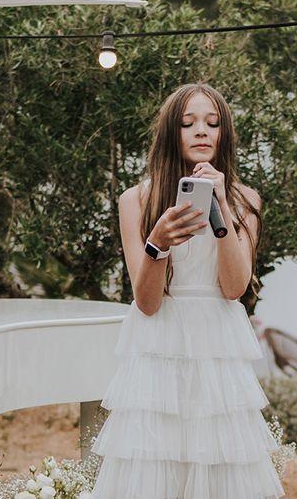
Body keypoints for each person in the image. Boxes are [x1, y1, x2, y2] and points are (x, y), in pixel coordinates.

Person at [92, 84, 284, 498]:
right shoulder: (136, 200)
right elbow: (146, 302)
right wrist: (157, 242)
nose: (202, 131)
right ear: (171, 132)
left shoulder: (246, 201)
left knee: (218, 465)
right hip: (158, 345)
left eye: (212, 123)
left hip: (217, 347)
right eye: (189, 122)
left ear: (224, 133)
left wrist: (221, 209)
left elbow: (234, 289)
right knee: (154, 465)